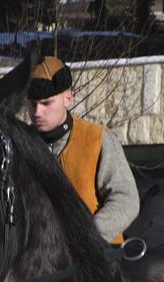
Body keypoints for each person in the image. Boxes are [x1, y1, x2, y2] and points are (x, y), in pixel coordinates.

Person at [27, 56, 139, 244]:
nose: (37, 112)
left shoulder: (98, 139)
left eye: (46, 103)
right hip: (37, 257)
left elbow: (127, 199)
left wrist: (87, 238)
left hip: (97, 253)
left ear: (68, 98)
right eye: (32, 104)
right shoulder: (19, 144)